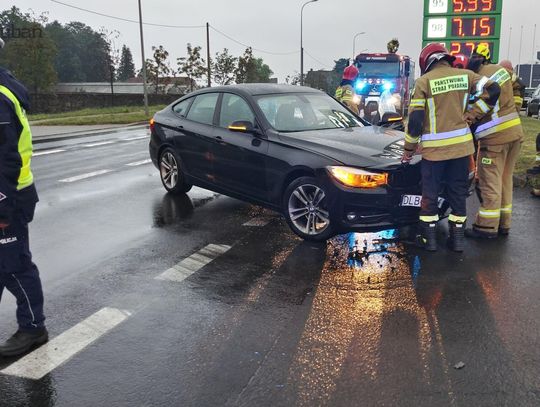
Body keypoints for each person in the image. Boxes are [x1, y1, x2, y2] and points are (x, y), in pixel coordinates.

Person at [402, 43, 500, 252]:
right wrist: (474, 113)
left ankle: (429, 241)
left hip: (434, 153)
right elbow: (494, 88)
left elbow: (416, 120)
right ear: (446, 58)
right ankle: (457, 240)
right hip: (462, 150)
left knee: (430, 194)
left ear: (427, 62)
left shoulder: (424, 82)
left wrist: (409, 149)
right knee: (457, 193)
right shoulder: (465, 76)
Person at [0, 36, 48, 357]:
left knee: (14, 265)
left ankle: (33, 328)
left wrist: (2, 204)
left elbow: (7, 157)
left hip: (10, 196)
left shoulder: (1, 97)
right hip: (11, 193)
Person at [465, 44, 524, 238]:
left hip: (495, 138)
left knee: (490, 181)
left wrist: (470, 116)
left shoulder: (479, 77)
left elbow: (484, 102)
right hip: (515, 134)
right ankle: (504, 224)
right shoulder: (502, 71)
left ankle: (487, 226)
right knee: (505, 179)